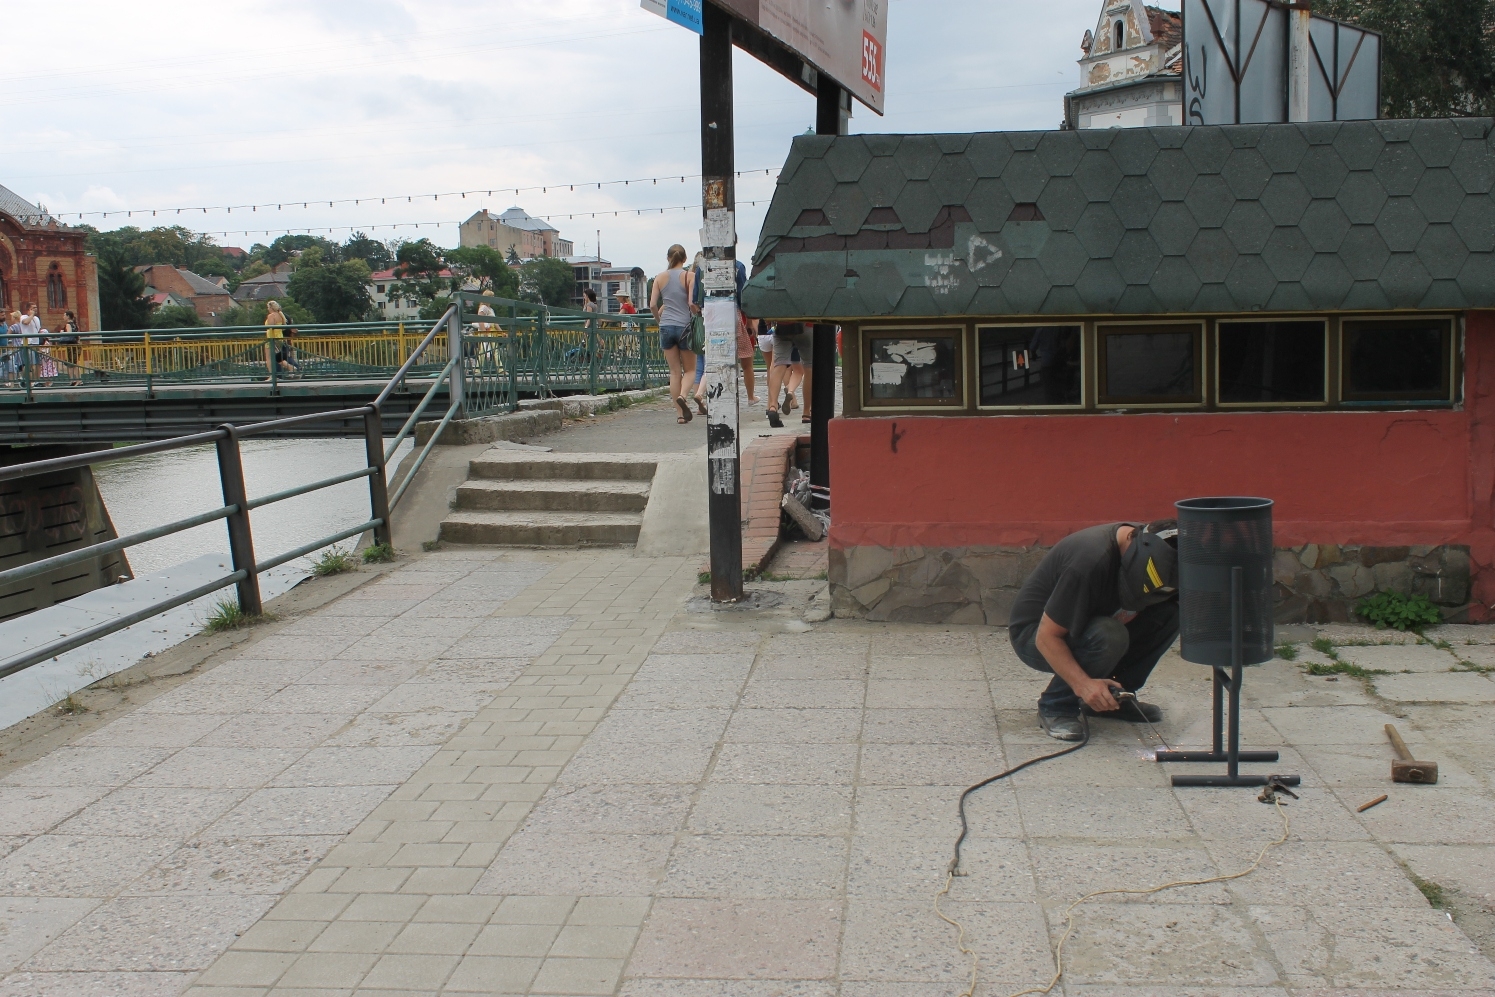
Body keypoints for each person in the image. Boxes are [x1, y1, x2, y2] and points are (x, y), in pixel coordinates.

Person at [1008, 520, 1181, 741]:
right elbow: (1046, 637)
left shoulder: (1158, 545)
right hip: (1035, 636)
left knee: (1170, 614)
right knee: (1109, 634)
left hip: (1093, 623)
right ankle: (1056, 706)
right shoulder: (1090, 561)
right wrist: (1084, 685)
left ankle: (1114, 699)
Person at [648, 244, 697, 423]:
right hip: (685, 326)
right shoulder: (690, 276)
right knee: (690, 370)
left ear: (668, 258)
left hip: (666, 326)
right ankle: (683, 396)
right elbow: (692, 303)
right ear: (684, 259)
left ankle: (680, 415)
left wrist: (659, 321)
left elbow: (653, 304)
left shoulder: (659, 278)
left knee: (675, 372)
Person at [766, 322, 813, 428]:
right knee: (809, 368)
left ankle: (773, 406)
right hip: (806, 326)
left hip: (782, 326)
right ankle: (806, 413)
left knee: (779, 366)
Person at [263, 300, 286, 378]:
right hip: (279, 337)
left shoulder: (271, 316)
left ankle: (272, 376)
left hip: (272, 338)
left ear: (271, 307)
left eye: (268, 307)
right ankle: (292, 368)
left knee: (269, 358)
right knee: (277, 358)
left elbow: (271, 327)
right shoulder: (280, 315)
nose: (267, 309)